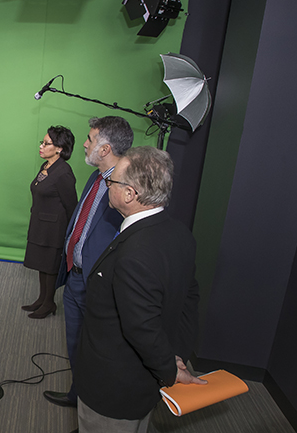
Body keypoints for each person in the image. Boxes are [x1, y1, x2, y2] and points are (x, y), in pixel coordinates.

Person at [74, 146, 203, 432]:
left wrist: (169, 368)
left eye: (112, 181)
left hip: (113, 391)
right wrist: (176, 356)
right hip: (144, 384)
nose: (107, 185)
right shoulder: (179, 234)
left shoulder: (134, 253)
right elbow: (189, 301)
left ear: (129, 194)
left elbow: (141, 327)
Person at [43, 116, 133, 408]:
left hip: (99, 284)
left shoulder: (128, 187)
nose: (84, 143)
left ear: (105, 149)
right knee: (74, 342)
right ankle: (77, 394)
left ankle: (92, 405)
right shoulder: (96, 177)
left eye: (90, 139)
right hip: (76, 276)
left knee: (98, 349)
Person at [22, 126, 77, 319]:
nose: (41, 146)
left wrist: (70, 234)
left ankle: (49, 303)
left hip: (54, 229)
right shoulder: (46, 166)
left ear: (59, 148)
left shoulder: (63, 173)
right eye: (42, 142)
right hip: (40, 224)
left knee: (51, 266)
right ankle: (41, 299)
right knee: (42, 263)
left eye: (47, 144)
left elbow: (72, 206)